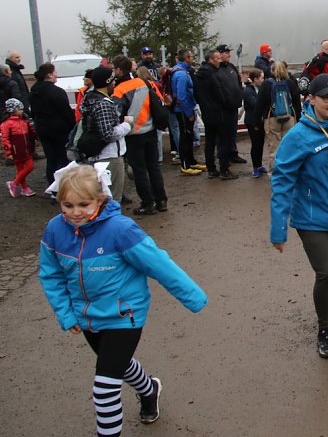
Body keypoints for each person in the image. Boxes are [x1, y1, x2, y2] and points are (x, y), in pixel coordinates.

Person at [38, 164, 207, 435]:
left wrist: (193, 297)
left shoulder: (121, 230)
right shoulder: (55, 230)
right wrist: (65, 313)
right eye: (67, 205)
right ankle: (149, 389)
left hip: (124, 316)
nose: (75, 212)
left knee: (104, 388)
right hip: (88, 317)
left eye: (83, 204)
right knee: (120, 364)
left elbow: (158, 264)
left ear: (100, 198)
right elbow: (51, 275)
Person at [270, 74, 328, 358]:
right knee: (326, 271)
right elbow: (282, 181)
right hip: (311, 217)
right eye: (327, 97)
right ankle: (324, 329)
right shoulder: (297, 136)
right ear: (311, 99)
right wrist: (278, 228)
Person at [112, 57, 169, 214]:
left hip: (133, 134)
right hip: (150, 130)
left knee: (139, 171)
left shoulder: (120, 90)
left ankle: (147, 203)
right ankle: (161, 200)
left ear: (118, 70)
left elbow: (116, 114)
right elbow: (157, 101)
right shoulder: (143, 82)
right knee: (154, 167)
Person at [79, 66, 134, 199]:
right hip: (108, 157)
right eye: (113, 80)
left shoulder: (90, 99)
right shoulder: (103, 103)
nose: (115, 82)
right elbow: (108, 134)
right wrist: (127, 124)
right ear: (107, 82)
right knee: (112, 198)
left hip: (99, 155)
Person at [29, 62, 75, 186]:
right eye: (55, 73)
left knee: (51, 159)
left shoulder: (33, 92)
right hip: (60, 131)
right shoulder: (57, 92)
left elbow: (33, 112)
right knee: (63, 159)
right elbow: (66, 112)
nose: (57, 75)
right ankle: (63, 186)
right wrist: (73, 127)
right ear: (49, 75)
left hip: (42, 130)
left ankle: (53, 187)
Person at [254, 61, 302, 173]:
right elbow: (297, 102)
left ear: (272, 71)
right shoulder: (290, 83)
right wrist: (298, 118)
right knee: (289, 146)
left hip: (272, 118)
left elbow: (259, 104)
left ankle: (274, 173)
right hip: (289, 118)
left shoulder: (267, 84)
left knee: (274, 147)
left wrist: (256, 122)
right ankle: (290, 170)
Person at [196, 49, 236, 179]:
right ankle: (224, 169)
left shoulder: (199, 75)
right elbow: (221, 94)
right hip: (219, 112)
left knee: (210, 142)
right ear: (210, 60)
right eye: (217, 59)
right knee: (223, 141)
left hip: (207, 113)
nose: (220, 61)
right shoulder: (214, 75)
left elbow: (196, 94)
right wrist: (227, 102)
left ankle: (211, 169)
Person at [171, 49, 205, 175]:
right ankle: (185, 165)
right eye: (191, 57)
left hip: (186, 108)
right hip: (183, 110)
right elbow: (181, 96)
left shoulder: (181, 71)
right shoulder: (181, 74)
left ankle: (192, 161)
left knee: (189, 137)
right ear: (186, 58)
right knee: (185, 137)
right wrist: (189, 112)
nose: (192, 59)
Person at [216, 44, 247, 166]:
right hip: (222, 107)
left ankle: (233, 153)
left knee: (232, 131)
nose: (229, 54)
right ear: (219, 54)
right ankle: (223, 156)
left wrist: (239, 94)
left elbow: (238, 83)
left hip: (234, 105)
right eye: (226, 52)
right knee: (222, 133)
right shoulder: (216, 69)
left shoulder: (231, 67)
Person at [2, 98, 37, 197]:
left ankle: (14, 184)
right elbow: (5, 139)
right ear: (13, 110)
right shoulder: (7, 124)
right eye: (20, 109)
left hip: (25, 149)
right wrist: (8, 152)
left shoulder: (24, 121)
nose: (22, 111)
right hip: (16, 151)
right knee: (21, 169)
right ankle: (23, 187)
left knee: (29, 167)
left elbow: (31, 133)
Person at [243, 69, 266, 177]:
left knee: (260, 144)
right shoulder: (248, 91)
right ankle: (255, 167)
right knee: (255, 144)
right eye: (262, 78)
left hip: (259, 121)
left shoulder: (258, 89)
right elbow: (255, 105)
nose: (263, 80)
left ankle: (259, 165)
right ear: (255, 79)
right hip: (252, 121)